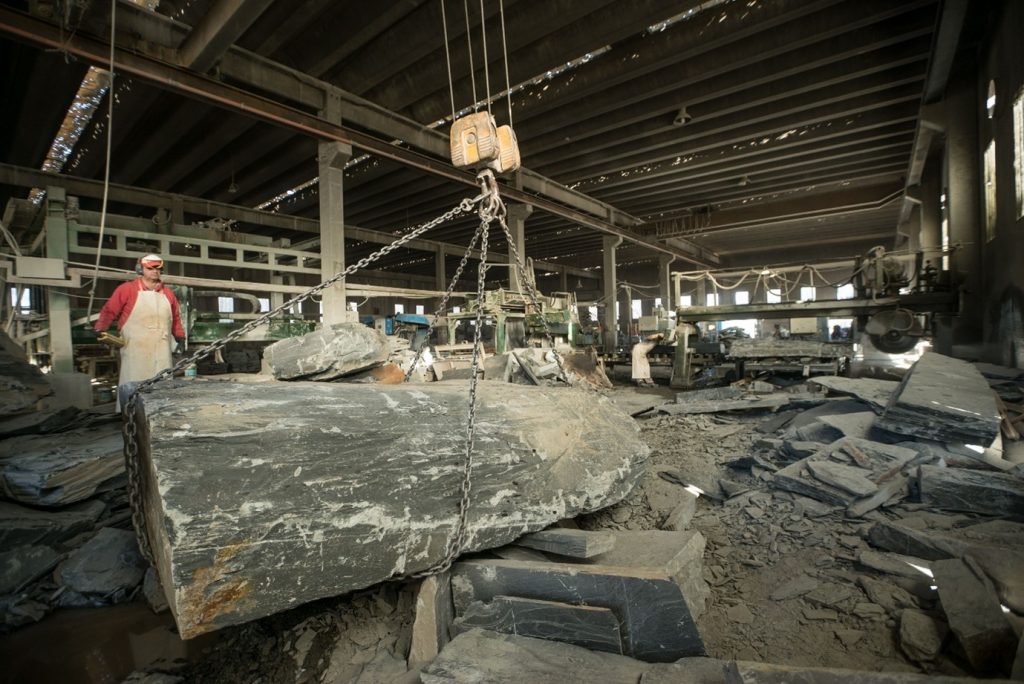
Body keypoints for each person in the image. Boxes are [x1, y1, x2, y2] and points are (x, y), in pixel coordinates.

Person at [94, 254, 186, 396]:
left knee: (163, 388)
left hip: (162, 350)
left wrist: (180, 336)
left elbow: (175, 317)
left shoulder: (168, 294)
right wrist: (101, 329)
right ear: (140, 269)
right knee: (134, 388)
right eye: (150, 268)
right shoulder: (127, 289)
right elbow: (109, 310)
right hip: (135, 350)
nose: (155, 271)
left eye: (158, 269)